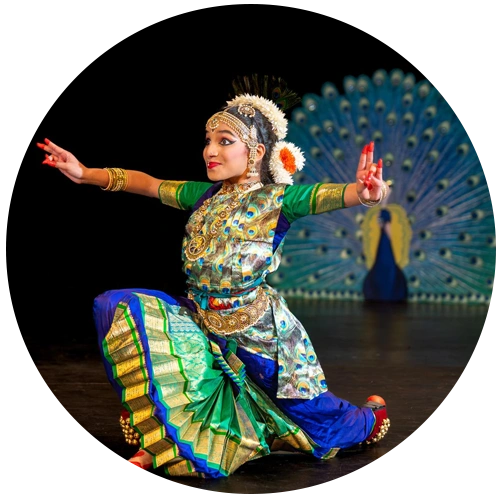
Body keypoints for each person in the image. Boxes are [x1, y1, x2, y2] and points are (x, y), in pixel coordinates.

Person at [37, 78, 391, 478]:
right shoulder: (205, 196)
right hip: (201, 321)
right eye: (208, 140)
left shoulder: (278, 199)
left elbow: (330, 195)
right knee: (121, 308)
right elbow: (148, 184)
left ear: (256, 152)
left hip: (257, 334)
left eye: (224, 141)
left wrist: (368, 194)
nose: (209, 150)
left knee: (318, 418)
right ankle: (166, 441)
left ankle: (369, 419)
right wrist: (86, 173)